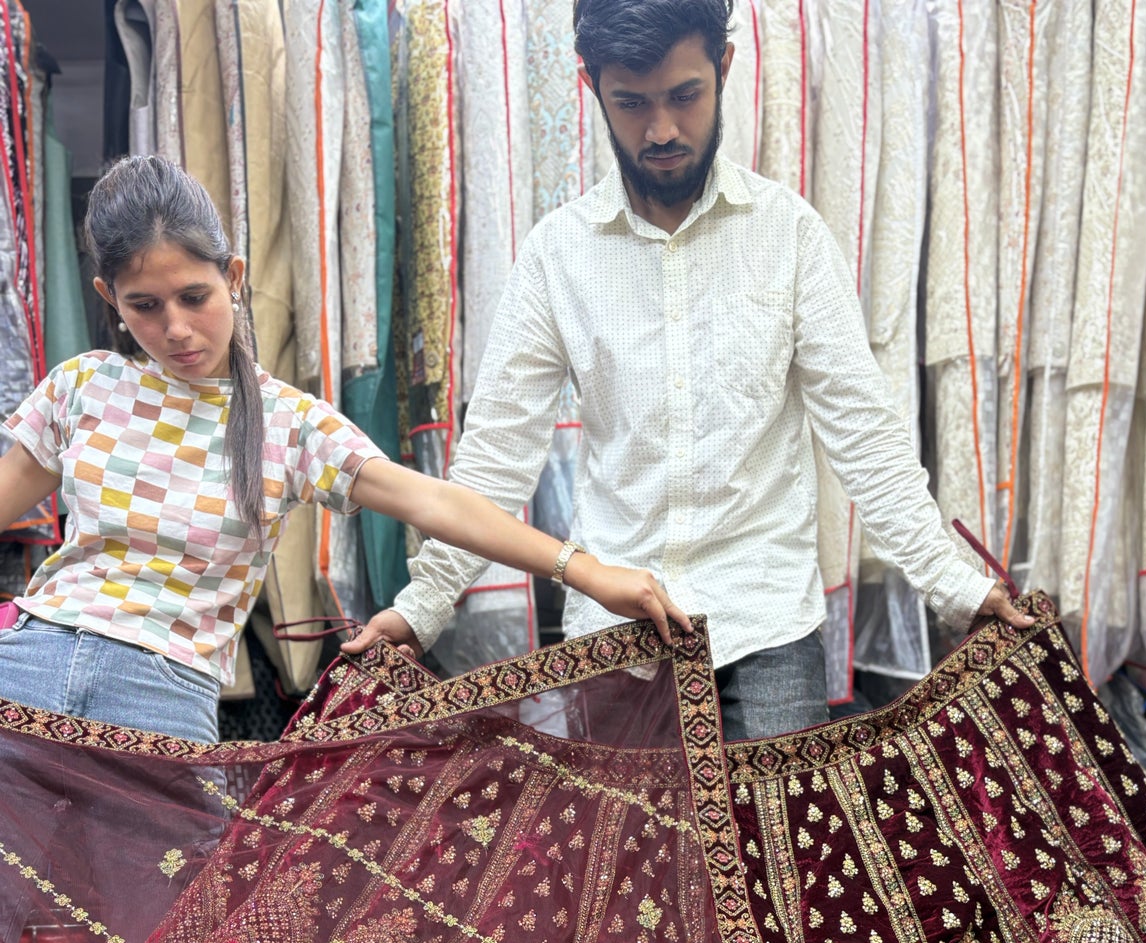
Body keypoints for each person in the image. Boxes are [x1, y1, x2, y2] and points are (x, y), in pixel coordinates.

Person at [343, 0, 1030, 739]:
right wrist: (424, 604)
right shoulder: (557, 255)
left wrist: (956, 587)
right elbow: (496, 456)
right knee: (624, 857)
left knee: (771, 854)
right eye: (631, 104)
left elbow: (865, 437)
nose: (661, 130)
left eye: (684, 95)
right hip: (613, 641)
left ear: (723, 67)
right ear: (590, 85)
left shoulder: (788, 236)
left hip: (764, 629)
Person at [0, 154, 690, 751]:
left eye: (193, 296)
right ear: (108, 297)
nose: (176, 328)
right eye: (144, 306)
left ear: (234, 275)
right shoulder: (85, 384)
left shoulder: (286, 425)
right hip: (28, 665)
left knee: (160, 906)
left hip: (162, 698)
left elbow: (433, 501)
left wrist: (584, 570)